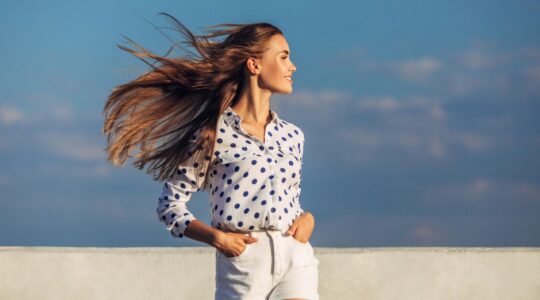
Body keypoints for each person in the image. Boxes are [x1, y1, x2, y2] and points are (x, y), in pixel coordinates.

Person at [102, 12, 319, 300]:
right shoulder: (213, 135)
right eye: (283, 57)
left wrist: (309, 219)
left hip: (295, 257)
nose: (293, 66)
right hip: (243, 266)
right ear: (254, 64)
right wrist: (216, 238)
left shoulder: (293, 136)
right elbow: (169, 206)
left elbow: (290, 198)